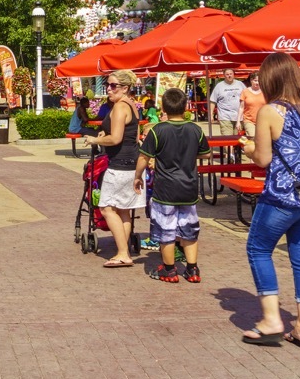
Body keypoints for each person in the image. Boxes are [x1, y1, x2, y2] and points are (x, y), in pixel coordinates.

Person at [238, 52, 300, 348]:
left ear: (270, 78)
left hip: (282, 195)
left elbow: (263, 159)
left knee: (258, 248)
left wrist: (249, 148)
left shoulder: (270, 111)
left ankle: (271, 320)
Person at [133, 88, 209, 283]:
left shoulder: (158, 131)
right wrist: (190, 155)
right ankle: (192, 270)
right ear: (185, 107)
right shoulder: (195, 129)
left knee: (166, 230)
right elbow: (206, 153)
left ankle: (168, 270)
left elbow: (144, 156)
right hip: (189, 187)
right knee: (189, 228)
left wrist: (137, 176)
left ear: (163, 108)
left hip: (165, 188)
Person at [86, 69, 146, 267]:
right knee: (123, 210)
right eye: (107, 85)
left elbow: (117, 138)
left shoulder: (120, 107)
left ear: (125, 88)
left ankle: (122, 253)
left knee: (106, 208)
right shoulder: (132, 105)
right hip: (131, 161)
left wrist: (96, 139)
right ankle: (124, 249)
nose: (108, 90)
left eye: (113, 86)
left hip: (120, 164)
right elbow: (133, 136)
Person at [208, 68, 244, 134]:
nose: (229, 76)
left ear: (233, 74)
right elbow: (213, 101)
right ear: (224, 75)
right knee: (227, 138)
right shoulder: (219, 86)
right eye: (227, 74)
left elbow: (247, 97)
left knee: (238, 140)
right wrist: (211, 115)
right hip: (225, 116)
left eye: (231, 74)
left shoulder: (240, 84)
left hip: (239, 116)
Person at [240, 73, 266, 138]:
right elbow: (241, 107)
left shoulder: (265, 92)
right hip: (249, 120)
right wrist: (238, 121)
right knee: (253, 138)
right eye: (255, 80)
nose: (257, 82)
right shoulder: (245, 91)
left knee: (262, 139)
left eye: (259, 80)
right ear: (251, 80)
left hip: (262, 120)